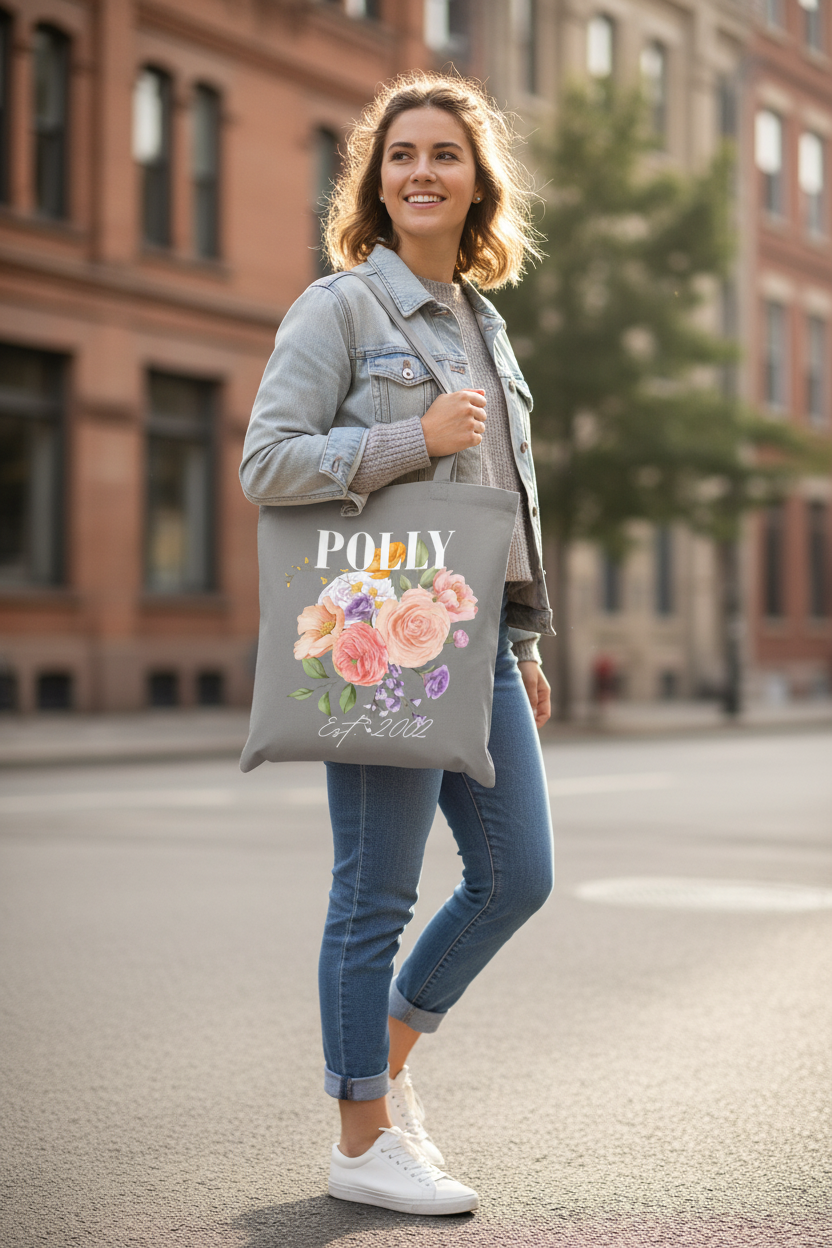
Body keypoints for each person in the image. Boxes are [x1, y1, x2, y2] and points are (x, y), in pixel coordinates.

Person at [240, 72, 555, 1217]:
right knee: (375, 893)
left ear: (477, 183)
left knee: (517, 876)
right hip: (384, 636)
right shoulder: (340, 309)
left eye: (444, 154)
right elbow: (267, 462)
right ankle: (360, 1139)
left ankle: (380, 1061)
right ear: (376, 181)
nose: (422, 171)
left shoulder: (485, 323)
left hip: (480, 640)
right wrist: (404, 438)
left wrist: (524, 637)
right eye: (401, 154)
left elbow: (502, 500)